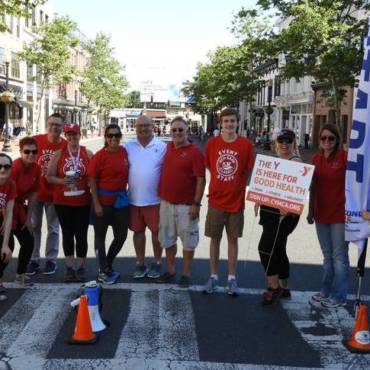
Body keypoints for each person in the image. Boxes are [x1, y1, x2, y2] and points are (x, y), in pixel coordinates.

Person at [203, 108, 254, 296]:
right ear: (220, 123)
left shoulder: (246, 145)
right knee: (214, 239)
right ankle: (213, 276)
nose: (229, 124)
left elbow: (248, 171)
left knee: (233, 239)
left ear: (237, 122)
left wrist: (238, 188)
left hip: (236, 202)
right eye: (226, 121)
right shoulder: (212, 144)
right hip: (216, 200)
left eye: (232, 121)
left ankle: (232, 278)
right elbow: (209, 166)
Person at [156, 116, 205, 287]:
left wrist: (196, 204)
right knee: (167, 240)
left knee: (188, 242)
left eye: (180, 130)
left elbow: (201, 179)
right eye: (174, 130)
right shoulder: (167, 148)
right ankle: (170, 270)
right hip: (166, 204)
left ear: (187, 131)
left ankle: (186, 272)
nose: (177, 133)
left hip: (187, 206)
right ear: (170, 132)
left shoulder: (195, 152)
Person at [255, 128, 301, 305]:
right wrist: (259, 198)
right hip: (270, 211)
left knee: (265, 248)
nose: (284, 145)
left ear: (293, 144)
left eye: (288, 141)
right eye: (281, 141)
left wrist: (287, 209)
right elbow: (267, 185)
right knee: (279, 248)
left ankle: (273, 288)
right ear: (275, 144)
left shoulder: (295, 162)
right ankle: (285, 286)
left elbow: (299, 190)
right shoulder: (275, 161)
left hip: (285, 214)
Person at [307, 123, 349, 308]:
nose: (327, 141)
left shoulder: (345, 158)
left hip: (340, 214)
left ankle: (339, 296)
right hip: (320, 213)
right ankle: (325, 291)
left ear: (336, 140)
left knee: (340, 258)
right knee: (327, 257)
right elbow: (312, 188)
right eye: (323, 138)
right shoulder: (315, 159)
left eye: (331, 138)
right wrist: (310, 211)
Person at [46, 124, 93, 283]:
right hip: (63, 201)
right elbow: (49, 176)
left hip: (83, 200)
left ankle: (80, 267)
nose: (72, 137)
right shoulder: (58, 154)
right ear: (66, 136)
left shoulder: (87, 153)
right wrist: (62, 180)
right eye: (69, 134)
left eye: (75, 134)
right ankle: (68, 268)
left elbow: (95, 176)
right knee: (67, 233)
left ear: (80, 135)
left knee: (81, 234)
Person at [125, 115, 166, 279]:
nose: (143, 128)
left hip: (155, 200)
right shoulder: (128, 146)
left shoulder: (162, 146)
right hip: (134, 199)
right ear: (136, 127)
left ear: (152, 127)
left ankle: (157, 262)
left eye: (146, 125)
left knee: (157, 233)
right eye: (140, 125)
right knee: (138, 232)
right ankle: (140, 263)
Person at [87, 123, 129, 285]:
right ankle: (103, 270)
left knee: (121, 236)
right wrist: (96, 203)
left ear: (120, 137)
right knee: (100, 237)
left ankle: (108, 263)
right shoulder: (99, 156)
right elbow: (91, 180)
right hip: (103, 202)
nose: (113, 138)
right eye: (110, 135)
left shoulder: (124, 152)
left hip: (121, 202)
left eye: (117, 135)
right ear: (105, 138)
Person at [27, 113, 67, 276]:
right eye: (51, 124)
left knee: (53, 228)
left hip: (54, 194)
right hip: (35, 193)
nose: (54, 127)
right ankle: (34, 259)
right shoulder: (36, 141)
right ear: (47, 125)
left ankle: (51, 260)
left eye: (57, 124)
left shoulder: (65, 145)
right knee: (34, 226)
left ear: (62, 127)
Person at [10, 137, 40, 287]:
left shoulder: (36, 168)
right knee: (7, 246)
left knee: (28, 241)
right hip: (5, 208)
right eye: (27, 151)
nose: (31, 154)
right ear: (21, 152)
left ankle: (20, 274)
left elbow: (34, 194)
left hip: (19, 207)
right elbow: (7, 196)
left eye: (34, 151)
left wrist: (29, 219)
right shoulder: (15, 167)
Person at [0, 154, 16, 301]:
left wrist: (5, 244)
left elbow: (9, 213)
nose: (3, 169)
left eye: (6, 166)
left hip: (1, 222)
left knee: (8, 248)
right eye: (0, 166)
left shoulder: (10, 184)